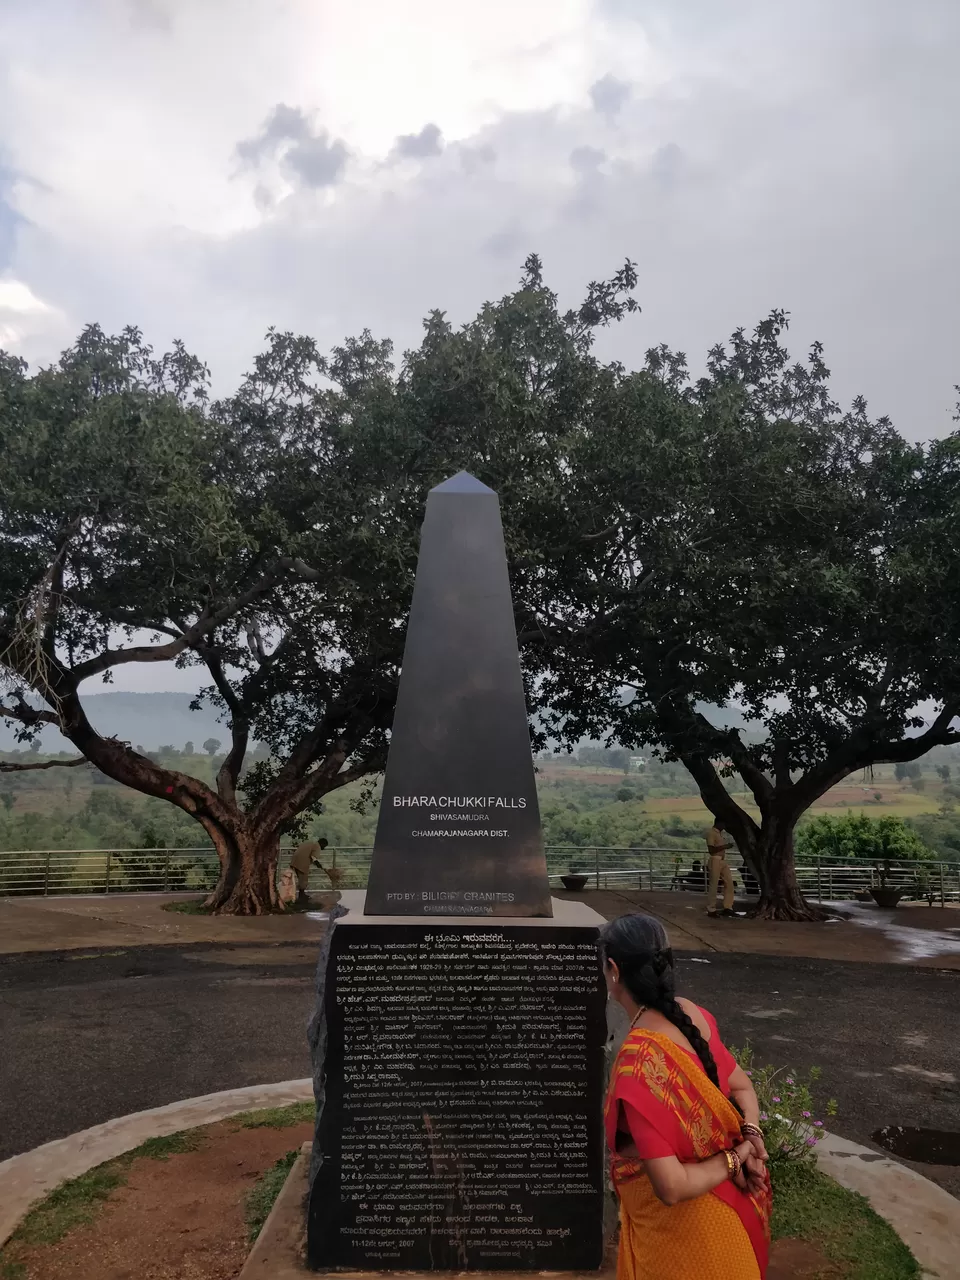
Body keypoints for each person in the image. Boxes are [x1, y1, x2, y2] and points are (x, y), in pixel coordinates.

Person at [601, 913, 771, 1279]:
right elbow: (742, 1087)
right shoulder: (692, 1015)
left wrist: (739, 1154)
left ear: (613, 970)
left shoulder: (639, 1061)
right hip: (729, 1232)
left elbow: (672, 1188)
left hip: (683, 1250)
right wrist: (752, 1137)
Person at [705, 819, 737, 916]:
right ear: (718, 823)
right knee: (714, 885)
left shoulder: (719, 833)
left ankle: (728, 906)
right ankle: (711, 909)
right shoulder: (711, 833)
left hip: (722, 860)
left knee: (729, 883)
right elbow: (711, 849)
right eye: (723, 823)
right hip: (715, 859)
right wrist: (725, 846)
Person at [289, 837, 329, 902]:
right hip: (301, 862)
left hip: (295, 861)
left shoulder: (311, 843)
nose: (323, 848)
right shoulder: (317, 846)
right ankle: (301, 897)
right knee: (303, 879)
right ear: (322, 844)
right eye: (324, 846)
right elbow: (313, 857)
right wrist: (318, 864)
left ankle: (302, 895)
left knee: (301, 878)